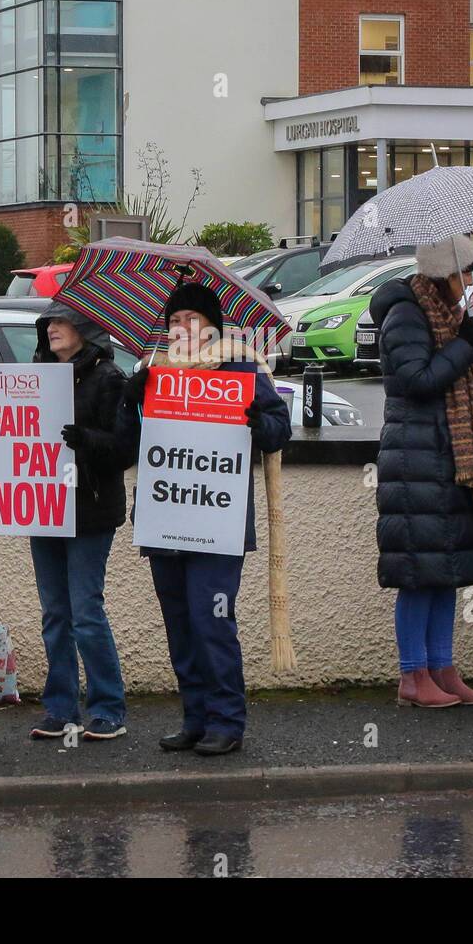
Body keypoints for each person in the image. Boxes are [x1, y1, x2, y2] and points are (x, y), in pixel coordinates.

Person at [117, 281, 291, 755]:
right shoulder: (152, 370)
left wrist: (262, 421)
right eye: (174, 320)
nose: (181, 327)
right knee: (180, 624)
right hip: (166, 519)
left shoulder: (242, 368)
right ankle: (195, 718)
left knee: (210, 620)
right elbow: (126, 441)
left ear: (212, 326)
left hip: (218, 522)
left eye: (191, 319)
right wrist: (129, 401)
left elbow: (280, 430)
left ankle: (227, 720)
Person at [371, 236, 473, 709]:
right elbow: (418, 381)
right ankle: (412, 675)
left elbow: (453, 372)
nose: (470, 282)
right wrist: (463, 349)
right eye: (464, 273)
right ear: (441, 274)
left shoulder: (448, 314)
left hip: (448, 456)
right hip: (416, 458)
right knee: (420, 570)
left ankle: (442, 667)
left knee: (446, 567)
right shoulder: (406, 313)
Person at [27, 300, 134, 742]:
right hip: (43, 505)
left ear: (85, 328)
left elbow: (125, 448)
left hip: (89, 510)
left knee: (85, 612)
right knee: (56, 613)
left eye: (61, 320)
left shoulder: (110, 379)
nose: (52, 327)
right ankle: (61, 708)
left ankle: (108, 708)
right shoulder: (35, 377)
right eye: (48, 321)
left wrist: (88, 440)